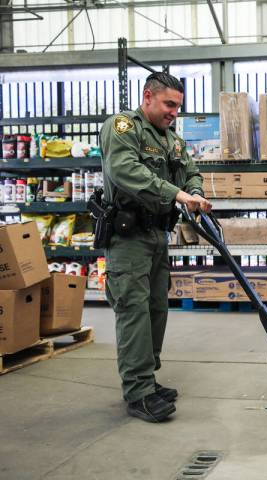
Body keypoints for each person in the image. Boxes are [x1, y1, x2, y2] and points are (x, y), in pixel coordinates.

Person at [99, 72, 212, 423]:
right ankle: (137, 392)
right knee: (133, 310)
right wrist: (175, 194)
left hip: (157, 236)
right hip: (128, 236)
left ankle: (147, 377)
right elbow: (125, 171)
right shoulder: (123, 128)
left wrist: (194, 192)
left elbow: (191, 171)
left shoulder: (171, 140)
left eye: (178, 106)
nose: (174, 112)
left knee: (156, 308)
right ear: (147, 97)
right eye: (169, 104)